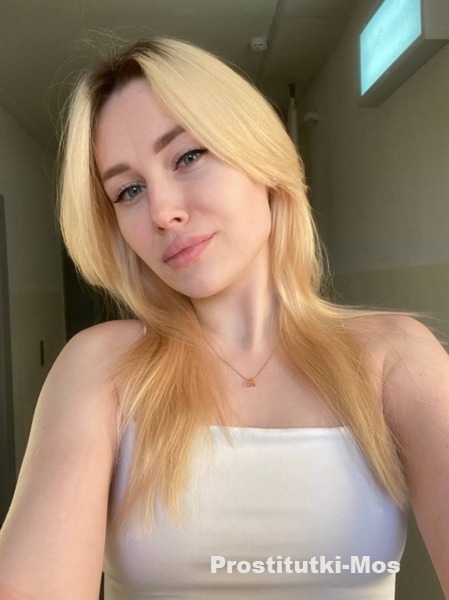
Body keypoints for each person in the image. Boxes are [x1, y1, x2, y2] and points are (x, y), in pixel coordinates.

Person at [0, 37, 448, 600]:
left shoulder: (395, 356)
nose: (163, 212)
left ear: (259, 157)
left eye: (188, 156)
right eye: (129, 190)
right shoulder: (102, 367)